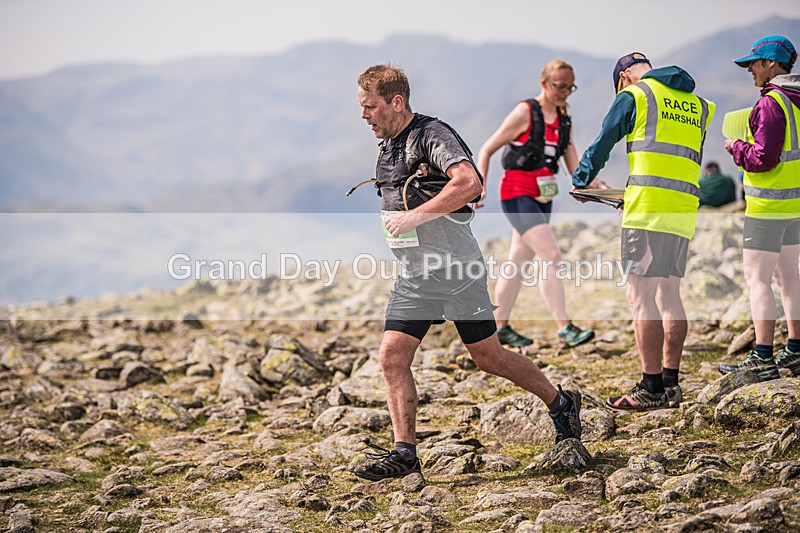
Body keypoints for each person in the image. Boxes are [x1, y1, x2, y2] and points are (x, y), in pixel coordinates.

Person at [352, 64, 582, 481]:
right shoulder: (388, 144)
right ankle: (406, 453)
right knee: (391, 356)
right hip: (417, 273)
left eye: (370, 107)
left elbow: (469, 182)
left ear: (396, 102)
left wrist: (414, 218)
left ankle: (560, 403)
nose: (364, 115)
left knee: (488, 356)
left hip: (457, 269)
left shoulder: (431, 134)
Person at [572, 53, 715, 411]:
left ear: (623, 78)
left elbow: (602, 144)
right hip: (682, 210)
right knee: (670, 294)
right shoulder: (699, 105)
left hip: (647, 212)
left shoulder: (635, 95)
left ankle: (650, 386)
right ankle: (670, 382)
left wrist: (582, 181)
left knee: (641, 297)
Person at [475, 59, 598, 349]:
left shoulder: (564, 119)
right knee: (551, 255)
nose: (565, 92)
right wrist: (479, 186)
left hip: (544, 197)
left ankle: (499, 327)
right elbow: (488, 148)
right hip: (517, 195)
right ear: (544, 83)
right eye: (559, 86)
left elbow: (575, 167)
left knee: (518, 260)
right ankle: (564, 327)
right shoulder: (524, 112)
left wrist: (596, 186)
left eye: (570, 87)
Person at [717, 36, 800, 380]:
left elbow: (763, 158)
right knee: (790, 279)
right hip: (796, 206)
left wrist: (736, 147)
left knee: (758, 280)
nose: (749, 69)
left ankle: (763, 356)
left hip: (768, 207)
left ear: (769, 64)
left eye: (753, 63)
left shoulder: (770, 104)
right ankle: (795, 350)